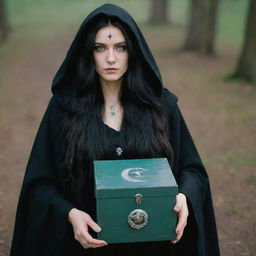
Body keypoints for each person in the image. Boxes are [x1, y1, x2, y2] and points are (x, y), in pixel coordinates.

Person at [10, 3, 220, 256]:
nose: (111, 58)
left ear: (134, 52)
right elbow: (39, 185)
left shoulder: (161, 107)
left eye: (120, 47)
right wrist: (70, 214)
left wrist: (184, 197)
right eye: (100, 48)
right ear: (88, 53)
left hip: (154, 246)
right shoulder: (64, 109)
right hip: (84, 246)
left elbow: (192, 171)